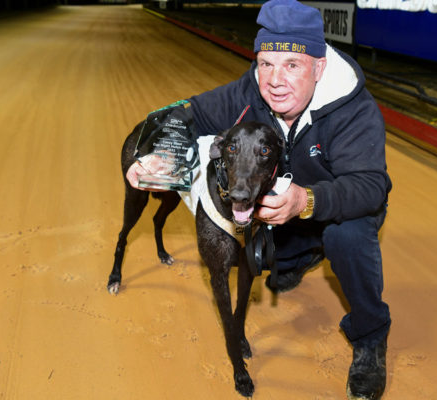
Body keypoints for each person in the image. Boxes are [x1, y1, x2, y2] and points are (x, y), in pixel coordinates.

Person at [126, 0, 392, 398]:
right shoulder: (250, 90)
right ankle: (296, 258)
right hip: (276, 207)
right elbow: (190, 111)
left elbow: (372, 186)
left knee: (347, 235)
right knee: (262, 257)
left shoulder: (353, 111)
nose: (275, 80)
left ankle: (370, 335)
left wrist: (306, 201)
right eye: (266, 63)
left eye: (291, 65)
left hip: (331, 205)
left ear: (319, 67)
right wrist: (157, 150)